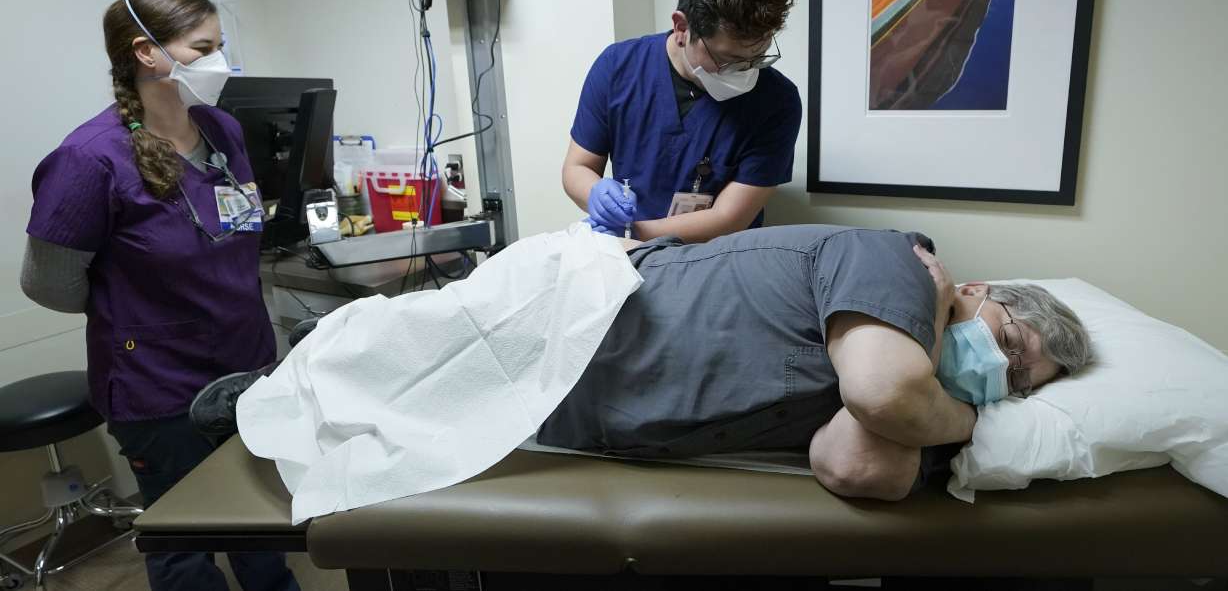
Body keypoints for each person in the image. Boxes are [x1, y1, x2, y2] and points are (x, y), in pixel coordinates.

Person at [190, 224, 1092, 502]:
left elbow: (856, 460)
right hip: (576, 311)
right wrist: (960, 409)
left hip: (588, 413)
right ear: (972, 289)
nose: (1000, 371)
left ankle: (284, 392)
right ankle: (274, 382)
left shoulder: (919, 375)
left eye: (1019, 380)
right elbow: (882, 390)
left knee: (418, 417)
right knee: (413, 339)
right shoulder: (893, 262)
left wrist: (931, 384)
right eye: (1010, 341)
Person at [21, 0, 299, 591]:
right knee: (186, 542)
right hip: (159, 382)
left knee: (263, 522)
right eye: (204, 48)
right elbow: (49, 284)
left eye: (221, 46)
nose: (221, 62)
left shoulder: (221, 130)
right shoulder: (89, 159)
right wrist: (142, 312)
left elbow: (237, 227)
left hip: (245, 362)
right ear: (148, 54)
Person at [562, 0, 803, 244]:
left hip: (718, 262)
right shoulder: (618, 68)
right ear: (681, 28)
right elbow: (577, 167)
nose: (745, 71)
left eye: (758, 56)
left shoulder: (777, 102)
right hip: (628, 257)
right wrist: (596, 194)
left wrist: (633, 233)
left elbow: (729, 218)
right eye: (728, 59)